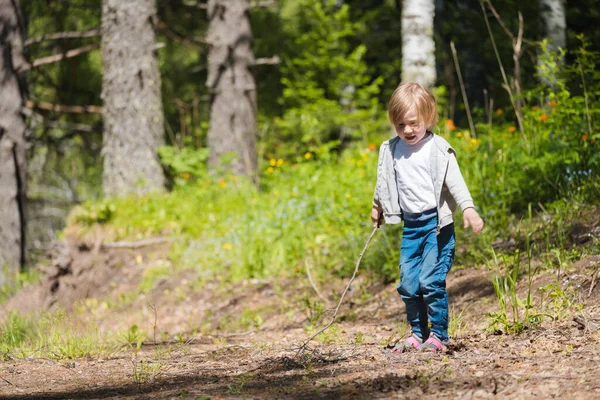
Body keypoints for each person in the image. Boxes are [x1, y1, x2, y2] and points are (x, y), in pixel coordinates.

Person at [371, 82, 484, 353]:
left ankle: (439, 335)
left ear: (428, 118)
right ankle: (417, 333)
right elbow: (384, 181)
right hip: (411, 227)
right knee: (409, 284)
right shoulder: (392, 149)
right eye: (401, 125)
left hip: (436, 226)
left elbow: (455, 183)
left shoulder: (438, 149)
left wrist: (468, 208)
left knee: (430, 281)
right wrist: (378, 207)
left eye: (413, 123)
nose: (408, 130)